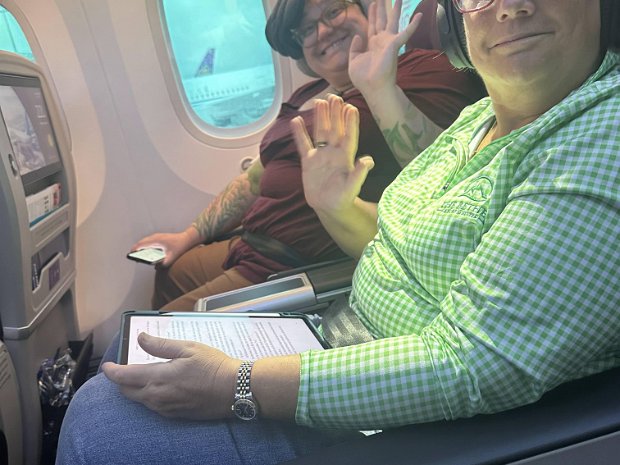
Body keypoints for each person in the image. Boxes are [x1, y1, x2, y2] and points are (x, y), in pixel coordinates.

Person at [57, 0, 619, 464]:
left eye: (331, 13)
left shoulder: (600, 139)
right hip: (334, 329)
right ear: (457, 21)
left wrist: (239, 384)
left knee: (100, 423)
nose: (512, 7)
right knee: (128, 352)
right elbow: (403, 236)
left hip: (403, 411)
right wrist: (335, 206)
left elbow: (473, 364)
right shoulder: (479, 120)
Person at [134, 0, 485, 311]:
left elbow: (444, 178)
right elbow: (253, 179)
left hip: (292, 266)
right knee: (169, 273)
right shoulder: (308, 92)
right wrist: (187, 236)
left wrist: (379, 87)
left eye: (333, 10)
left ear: (365, 10)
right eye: (306, 29)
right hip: (249, 245)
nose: (323, 31)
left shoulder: (420, 69)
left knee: (148, 337)